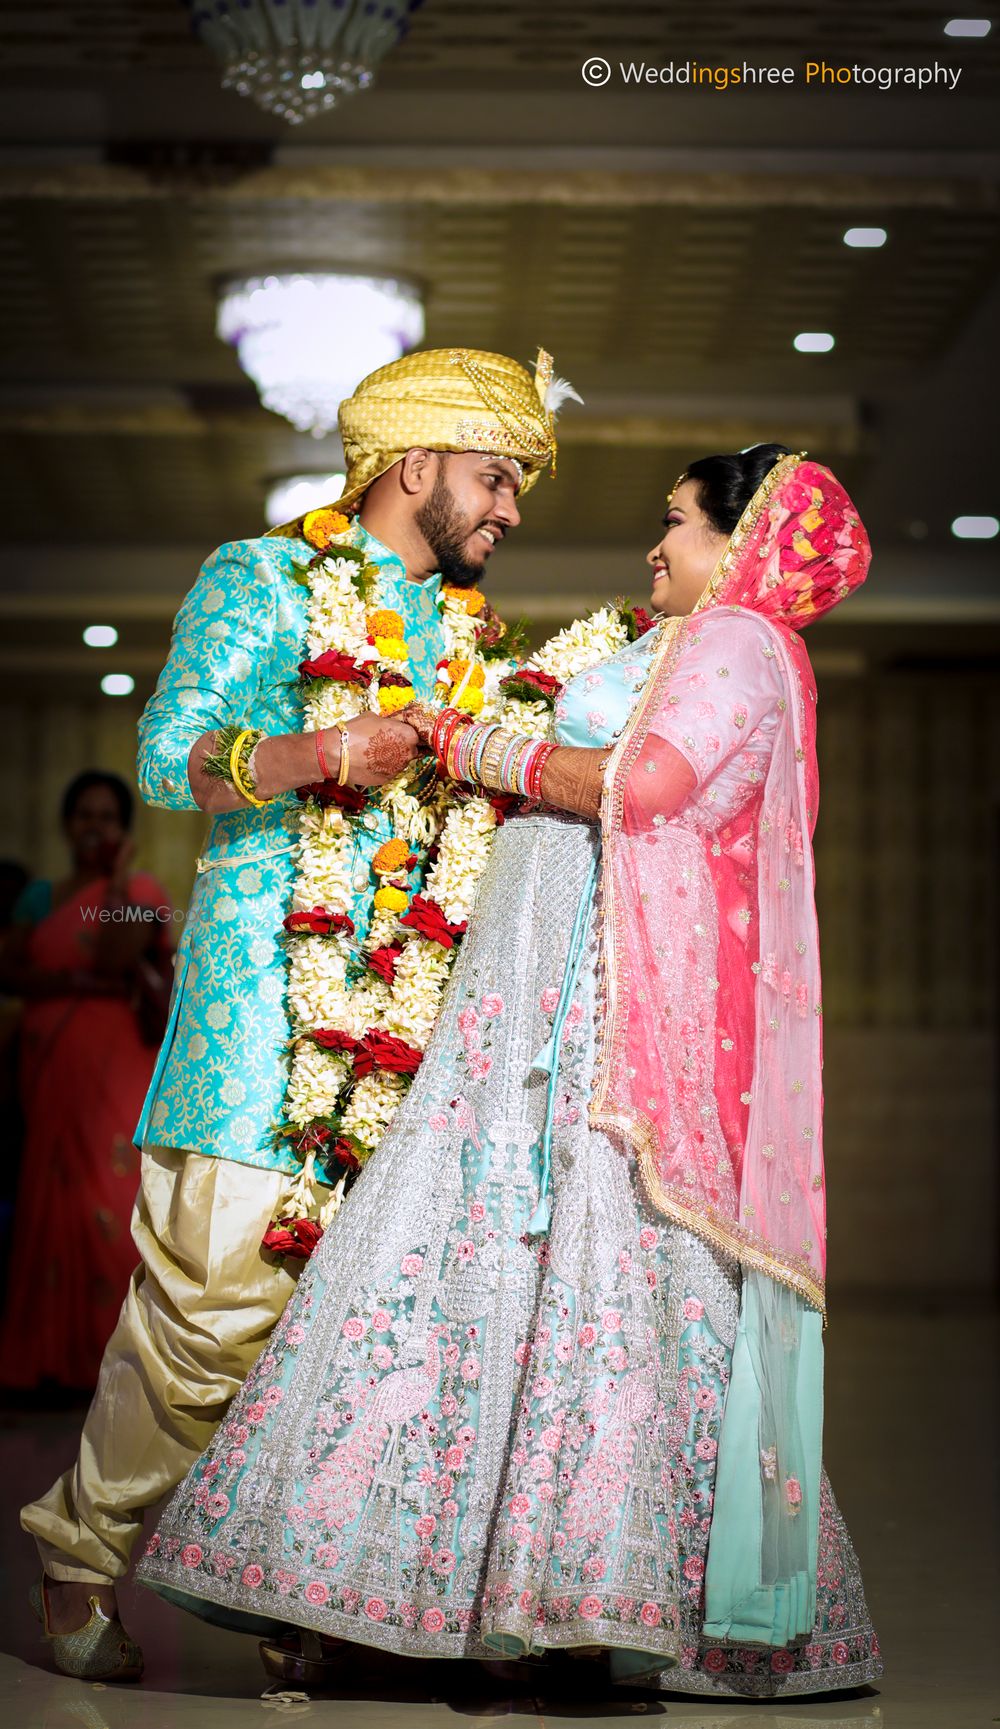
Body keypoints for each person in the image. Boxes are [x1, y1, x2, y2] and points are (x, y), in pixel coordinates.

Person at [137, 446, 882, 1699]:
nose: (654, 547)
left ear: (739, 540)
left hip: (585, 1026)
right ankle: (404, 1590)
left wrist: (476, 748)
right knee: (480, 1282)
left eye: (676, 523)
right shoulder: (690, 641)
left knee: (584, 1287)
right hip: (527, 1017)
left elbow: (643, 788)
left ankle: (570, 1597)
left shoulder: (739, 642)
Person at [22, 346, 569, 1683]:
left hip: (411, 1025)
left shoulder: (465, 639)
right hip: (258, 1010)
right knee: (211, 1305)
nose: (509, 512)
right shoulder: (261, 579)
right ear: (416, 464)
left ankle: (299, 1595)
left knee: (359, 1318)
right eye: (496, 479)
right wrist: (318, 755)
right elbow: (169, 753)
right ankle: (77, 1555)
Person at [0, 773, 172, 1393]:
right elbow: (10, 968)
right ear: (66, 824)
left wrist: (122, 875)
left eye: (106, 816)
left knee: (108, 1186)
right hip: (50, 1057)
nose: (93, 826)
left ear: (124, 827)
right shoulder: (41, 896)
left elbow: (113, 957)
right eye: (83, 816)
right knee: (51, 1186)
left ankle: (114, 1364)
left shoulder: (137, 890)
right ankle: (47, 1359)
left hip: (115, 1056)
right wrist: (64, 986)